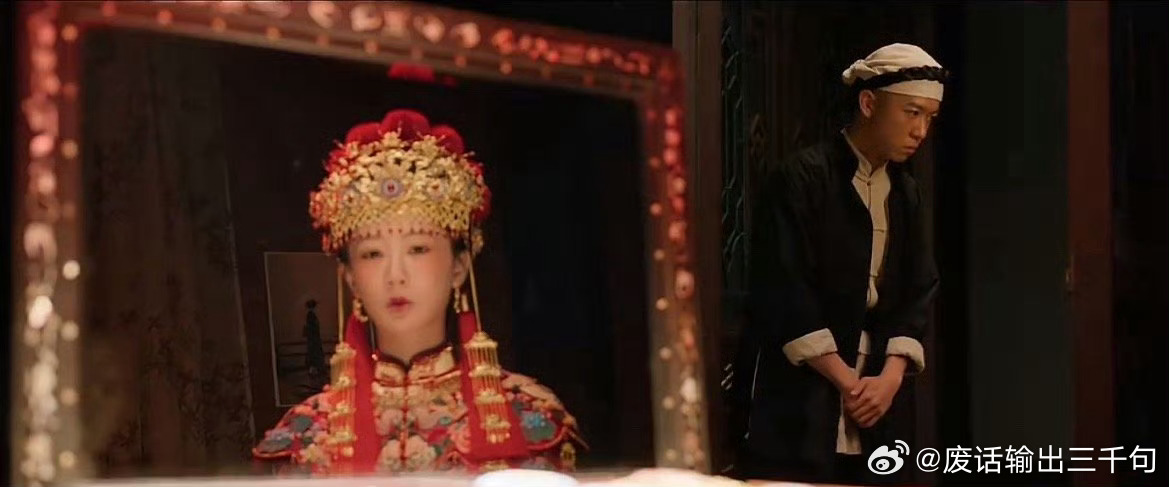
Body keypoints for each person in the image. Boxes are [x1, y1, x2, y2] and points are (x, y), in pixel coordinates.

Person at [253, 109, 585, 475]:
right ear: (351, 278)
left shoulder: (527, 414)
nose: (395, 276)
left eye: (418, 249)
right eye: (373, 255)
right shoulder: (306, 434)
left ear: (458, 267)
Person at [728, 43, 944, 484]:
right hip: (806, 385)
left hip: (878, 386)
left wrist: (888, 379)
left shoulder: (906, 192)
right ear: (868, 104)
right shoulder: (803, 177)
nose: (921, 130)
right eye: (911, 112)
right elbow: (786, 287)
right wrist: (848, 383)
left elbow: (917, 288)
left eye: (929, 117)